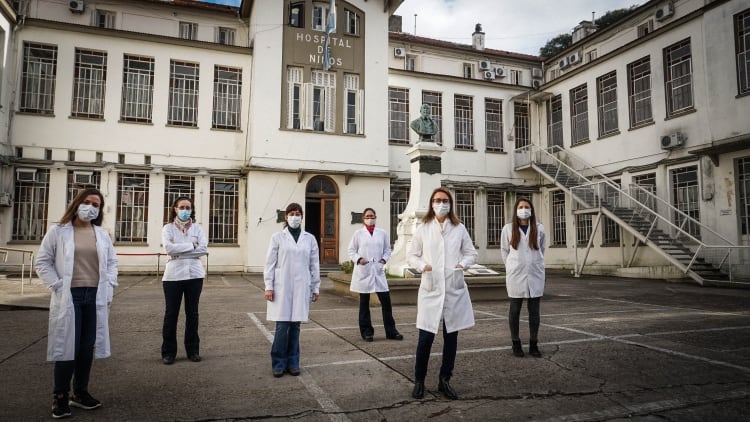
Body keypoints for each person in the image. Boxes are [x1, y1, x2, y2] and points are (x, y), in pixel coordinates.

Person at [35, 188, 118, 419]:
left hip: (95, 296)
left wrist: (110, 282)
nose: (91, 207)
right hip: (69, 296)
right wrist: (58, 285)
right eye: (88, 202)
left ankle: (80, 392)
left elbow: (112, 262)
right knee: (67, 346)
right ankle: (60, 395)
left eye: (97, 205)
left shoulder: (101, 234)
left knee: (86, 347)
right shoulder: (58, 231)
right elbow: (42, 261)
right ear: (77, 203)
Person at [408, 188, 477, 400]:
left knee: (451, 337)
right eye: (437, 200)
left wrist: (462, 264)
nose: (441, 204)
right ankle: (419, 381)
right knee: (426, 337)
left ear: (450, 204)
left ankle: (444, 380)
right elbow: (412, 256)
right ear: (431, 203)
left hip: (453, 289)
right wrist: (423, 266)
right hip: (431, 288)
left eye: (445, 200)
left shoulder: (459, 228)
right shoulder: (423, 228)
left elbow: (471, 253)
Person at [264, 203, 321, 378]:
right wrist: (269, 286)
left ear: (302, 217)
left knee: (295, 326)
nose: (295, 216)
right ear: (285, 217)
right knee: (282, 326)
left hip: (302, 285)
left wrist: (315, 287)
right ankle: (279, 363)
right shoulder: (277, 237)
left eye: (298, 213)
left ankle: (293, 362)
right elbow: (270, 263)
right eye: (291, 213)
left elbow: (314, 264)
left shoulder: (309, 238)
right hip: (282, 286)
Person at [161, 196, 208, 365]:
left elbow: (203, 249)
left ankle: (193, 350)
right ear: (175, 209)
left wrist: (179, 250)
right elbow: (168, 248)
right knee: (171, 314)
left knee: (192, 314)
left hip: (194, 276)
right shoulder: (167, 228)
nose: (185, 210)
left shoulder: (198, 228)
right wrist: (192, 246)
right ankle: (168, 352)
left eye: (188, 207)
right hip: (173, 277)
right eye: (182, 207)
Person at [500, 197, 546, 358]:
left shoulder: (539, 228)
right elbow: (504, 251)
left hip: (535, 272)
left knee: (534, 311)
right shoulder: (508, 228)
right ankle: (516, 343)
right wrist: (511, 266)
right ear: (516, 210)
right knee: (514, 310)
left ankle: (534, 344)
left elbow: (542, 249)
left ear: (531, 210)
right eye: (521, 207)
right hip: (515, 274)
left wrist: (536, 263)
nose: (524, 209)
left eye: (527, 207)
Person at [348, 208, 403, 342]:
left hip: (378, 270)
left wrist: (383, 260)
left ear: (375, 217)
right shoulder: (358, 233)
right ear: (363, 218)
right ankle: (367, 332)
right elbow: (351, 250)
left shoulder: (382, 233)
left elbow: (387, 249)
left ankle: (391, 331)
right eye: (367, 216)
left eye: (372, 216)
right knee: (364, 303)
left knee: (386, 302)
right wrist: (359, 259)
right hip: (364, 270)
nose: (370, 218)